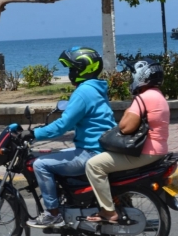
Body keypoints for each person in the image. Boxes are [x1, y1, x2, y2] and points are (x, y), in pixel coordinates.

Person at [21, 46, 117, 228]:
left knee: (40, 164)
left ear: (83, 68)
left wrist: (34, 133)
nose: (71, 72)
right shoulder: (96, 88)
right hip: (99, 148)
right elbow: (72, 121)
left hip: (91, 152)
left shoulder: (83, 92)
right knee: (59, 155)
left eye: (73, 68)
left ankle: (53, 213)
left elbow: (63, 125)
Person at [85, 58, 169, 223]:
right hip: (159, 150)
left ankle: (109, 212)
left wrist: (128, 112)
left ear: (141, 76)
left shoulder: (143, 98)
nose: (131, 77)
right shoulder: (158, 96)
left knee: (94, 165)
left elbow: (125, 128)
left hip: (144, 152)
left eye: (133, 74)